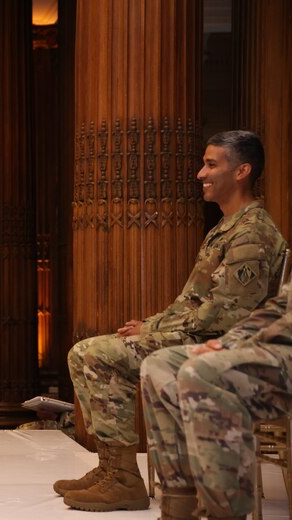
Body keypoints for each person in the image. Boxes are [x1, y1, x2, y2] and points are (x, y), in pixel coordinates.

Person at [57, 130, 287, 512]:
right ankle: (113, 466)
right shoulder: (225, 228)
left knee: (96, 353)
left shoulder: (252, 233)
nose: (201, 173)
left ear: (243, 170)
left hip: (223, 348)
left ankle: (125, 480)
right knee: (82, 353)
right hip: (196, 335)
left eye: (212, 164)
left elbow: (231, 316)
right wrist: (150, 324)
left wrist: (156, 331)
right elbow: (190, 302)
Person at [140, 275, 292, 520]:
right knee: (159, 365)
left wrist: (242, 345)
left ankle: (224, 513)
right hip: (274, 346)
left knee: (203, 373)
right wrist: (226, 343)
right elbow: (279, 308)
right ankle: (178, 508)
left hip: (280, 348)